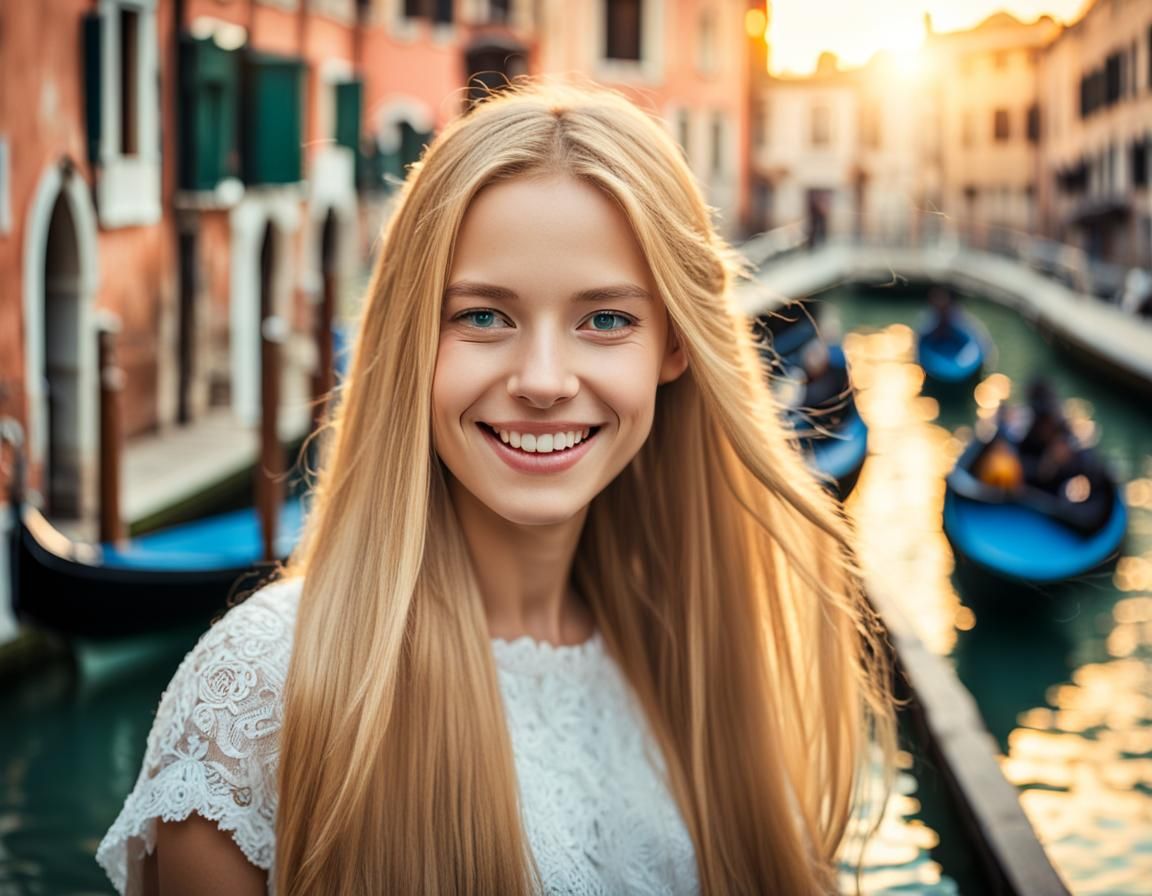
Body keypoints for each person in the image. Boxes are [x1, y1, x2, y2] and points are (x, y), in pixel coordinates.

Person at [97, 82, 896, 895]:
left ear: (675, 347)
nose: (544, 382)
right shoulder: (256, 698)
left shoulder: (710, 660)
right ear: (412, 339)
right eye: (482, 317)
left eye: (607, 320)